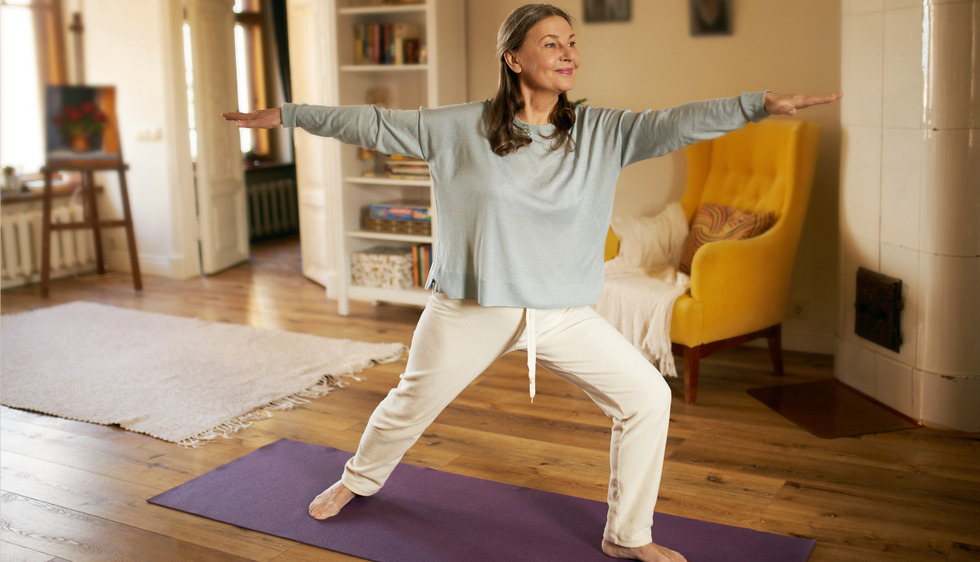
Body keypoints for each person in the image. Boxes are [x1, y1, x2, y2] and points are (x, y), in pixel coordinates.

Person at [224, 4, 841, 561]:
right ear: (513, 57)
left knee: (647, 398)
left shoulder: (603, 132)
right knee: (410, 402)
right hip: (471, 305)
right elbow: (375, 124)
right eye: (551, 43)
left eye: (571, 42)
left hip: (562, 310)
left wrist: (756, 103)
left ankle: (628, 536)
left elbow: (677, 123)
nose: (569, 52)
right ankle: (357, 479)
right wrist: (289, 115)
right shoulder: (459, 127)